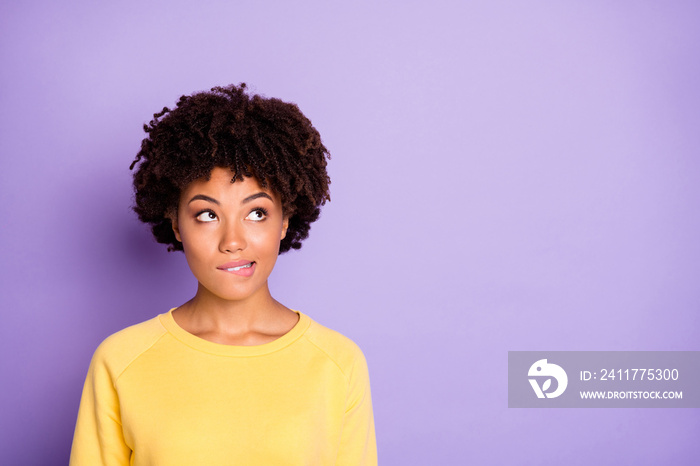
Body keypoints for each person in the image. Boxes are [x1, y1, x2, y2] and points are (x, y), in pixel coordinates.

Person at [69, 84, 377, 465]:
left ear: (285, 221)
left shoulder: (338, 363)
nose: (233, 241)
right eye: (208, 215)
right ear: (177, 225)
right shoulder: (120, 361)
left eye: (257, 213)